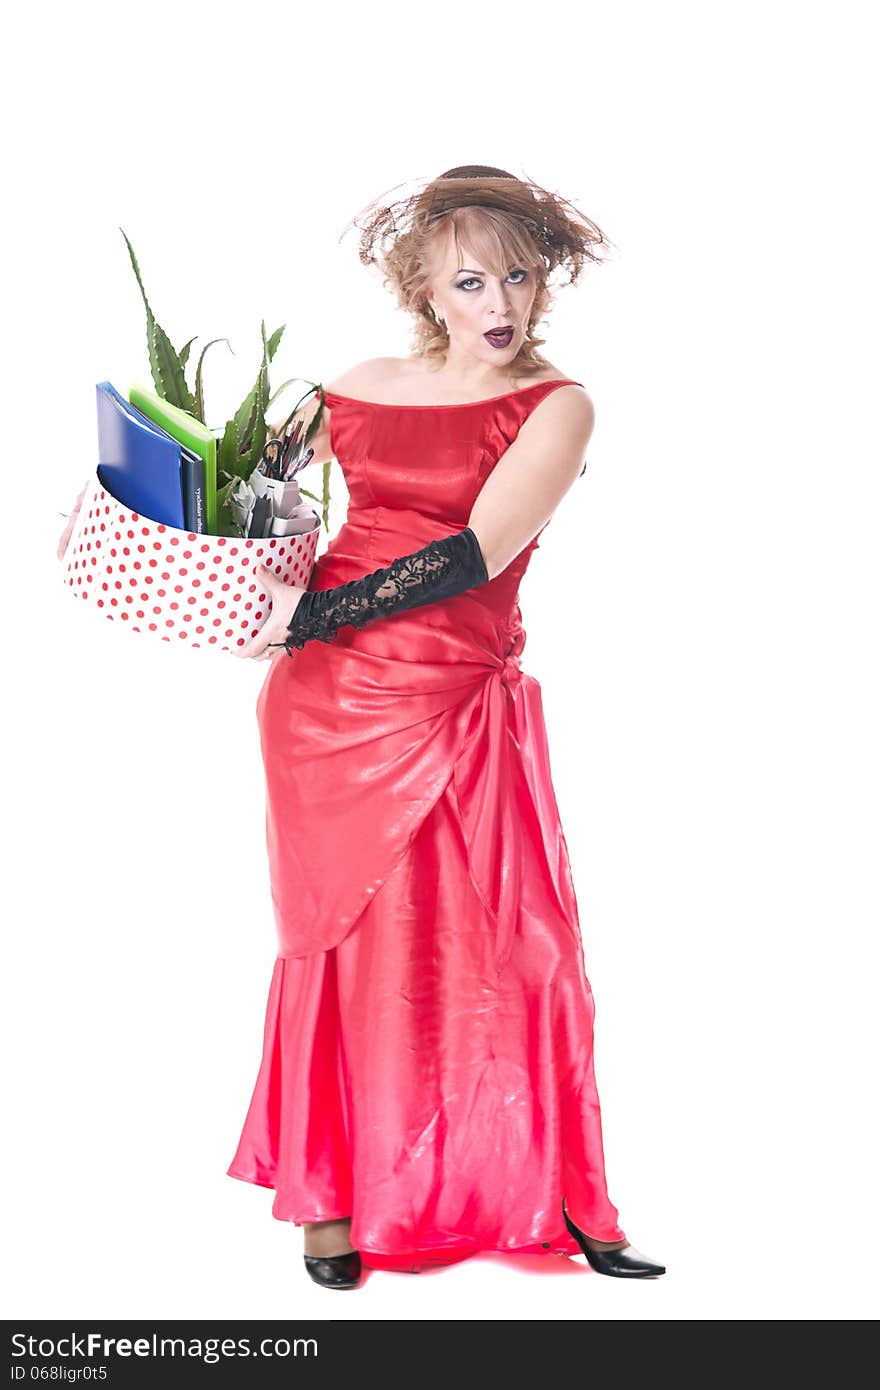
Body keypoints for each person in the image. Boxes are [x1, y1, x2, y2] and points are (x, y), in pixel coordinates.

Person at [62, 165, 665, 1291]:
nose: (499, 303)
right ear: (425, 289)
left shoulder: (556, 403)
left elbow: (475, 551)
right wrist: (124, 527)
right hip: (325, 707)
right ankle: (327, 1207)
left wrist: (314, 611)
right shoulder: (355, 383)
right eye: (469, 280)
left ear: (545, 283)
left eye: (517, 277)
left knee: (520, 944)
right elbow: (249, 491)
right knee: (337, 942)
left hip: (452, 693)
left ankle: (569, 1194)